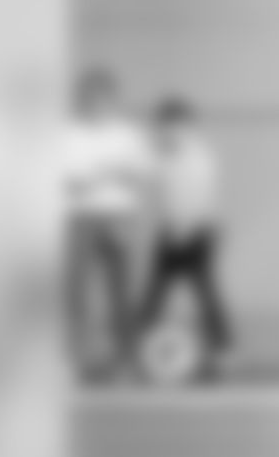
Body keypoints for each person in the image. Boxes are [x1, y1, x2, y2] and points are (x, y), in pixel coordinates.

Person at [63, 68, 153, 382]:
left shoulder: (128, 135)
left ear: (113, 100)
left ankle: (125, 360)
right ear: (81, 99)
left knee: (122, 292)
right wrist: (110, 171)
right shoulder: (67, 134)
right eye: (90, 97)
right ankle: (74, 360)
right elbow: (69, 180)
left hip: (119, 216)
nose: (96, 104)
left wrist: (98, 174)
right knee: (75, 293)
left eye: (102, 98)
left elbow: (141, 173)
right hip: (78, 217)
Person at [138, 95, 233, 382]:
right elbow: (154, 186)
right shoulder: (162, 157)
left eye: (173, 126)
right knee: (155, 294)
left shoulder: (199, 157)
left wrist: (186, 227)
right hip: (170, 232)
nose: (167, 132)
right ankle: (140, 351)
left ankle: (220, 354)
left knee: (205, 292)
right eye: (163, 127)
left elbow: (202, 196)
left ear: (187, 127)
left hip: (198, 232)